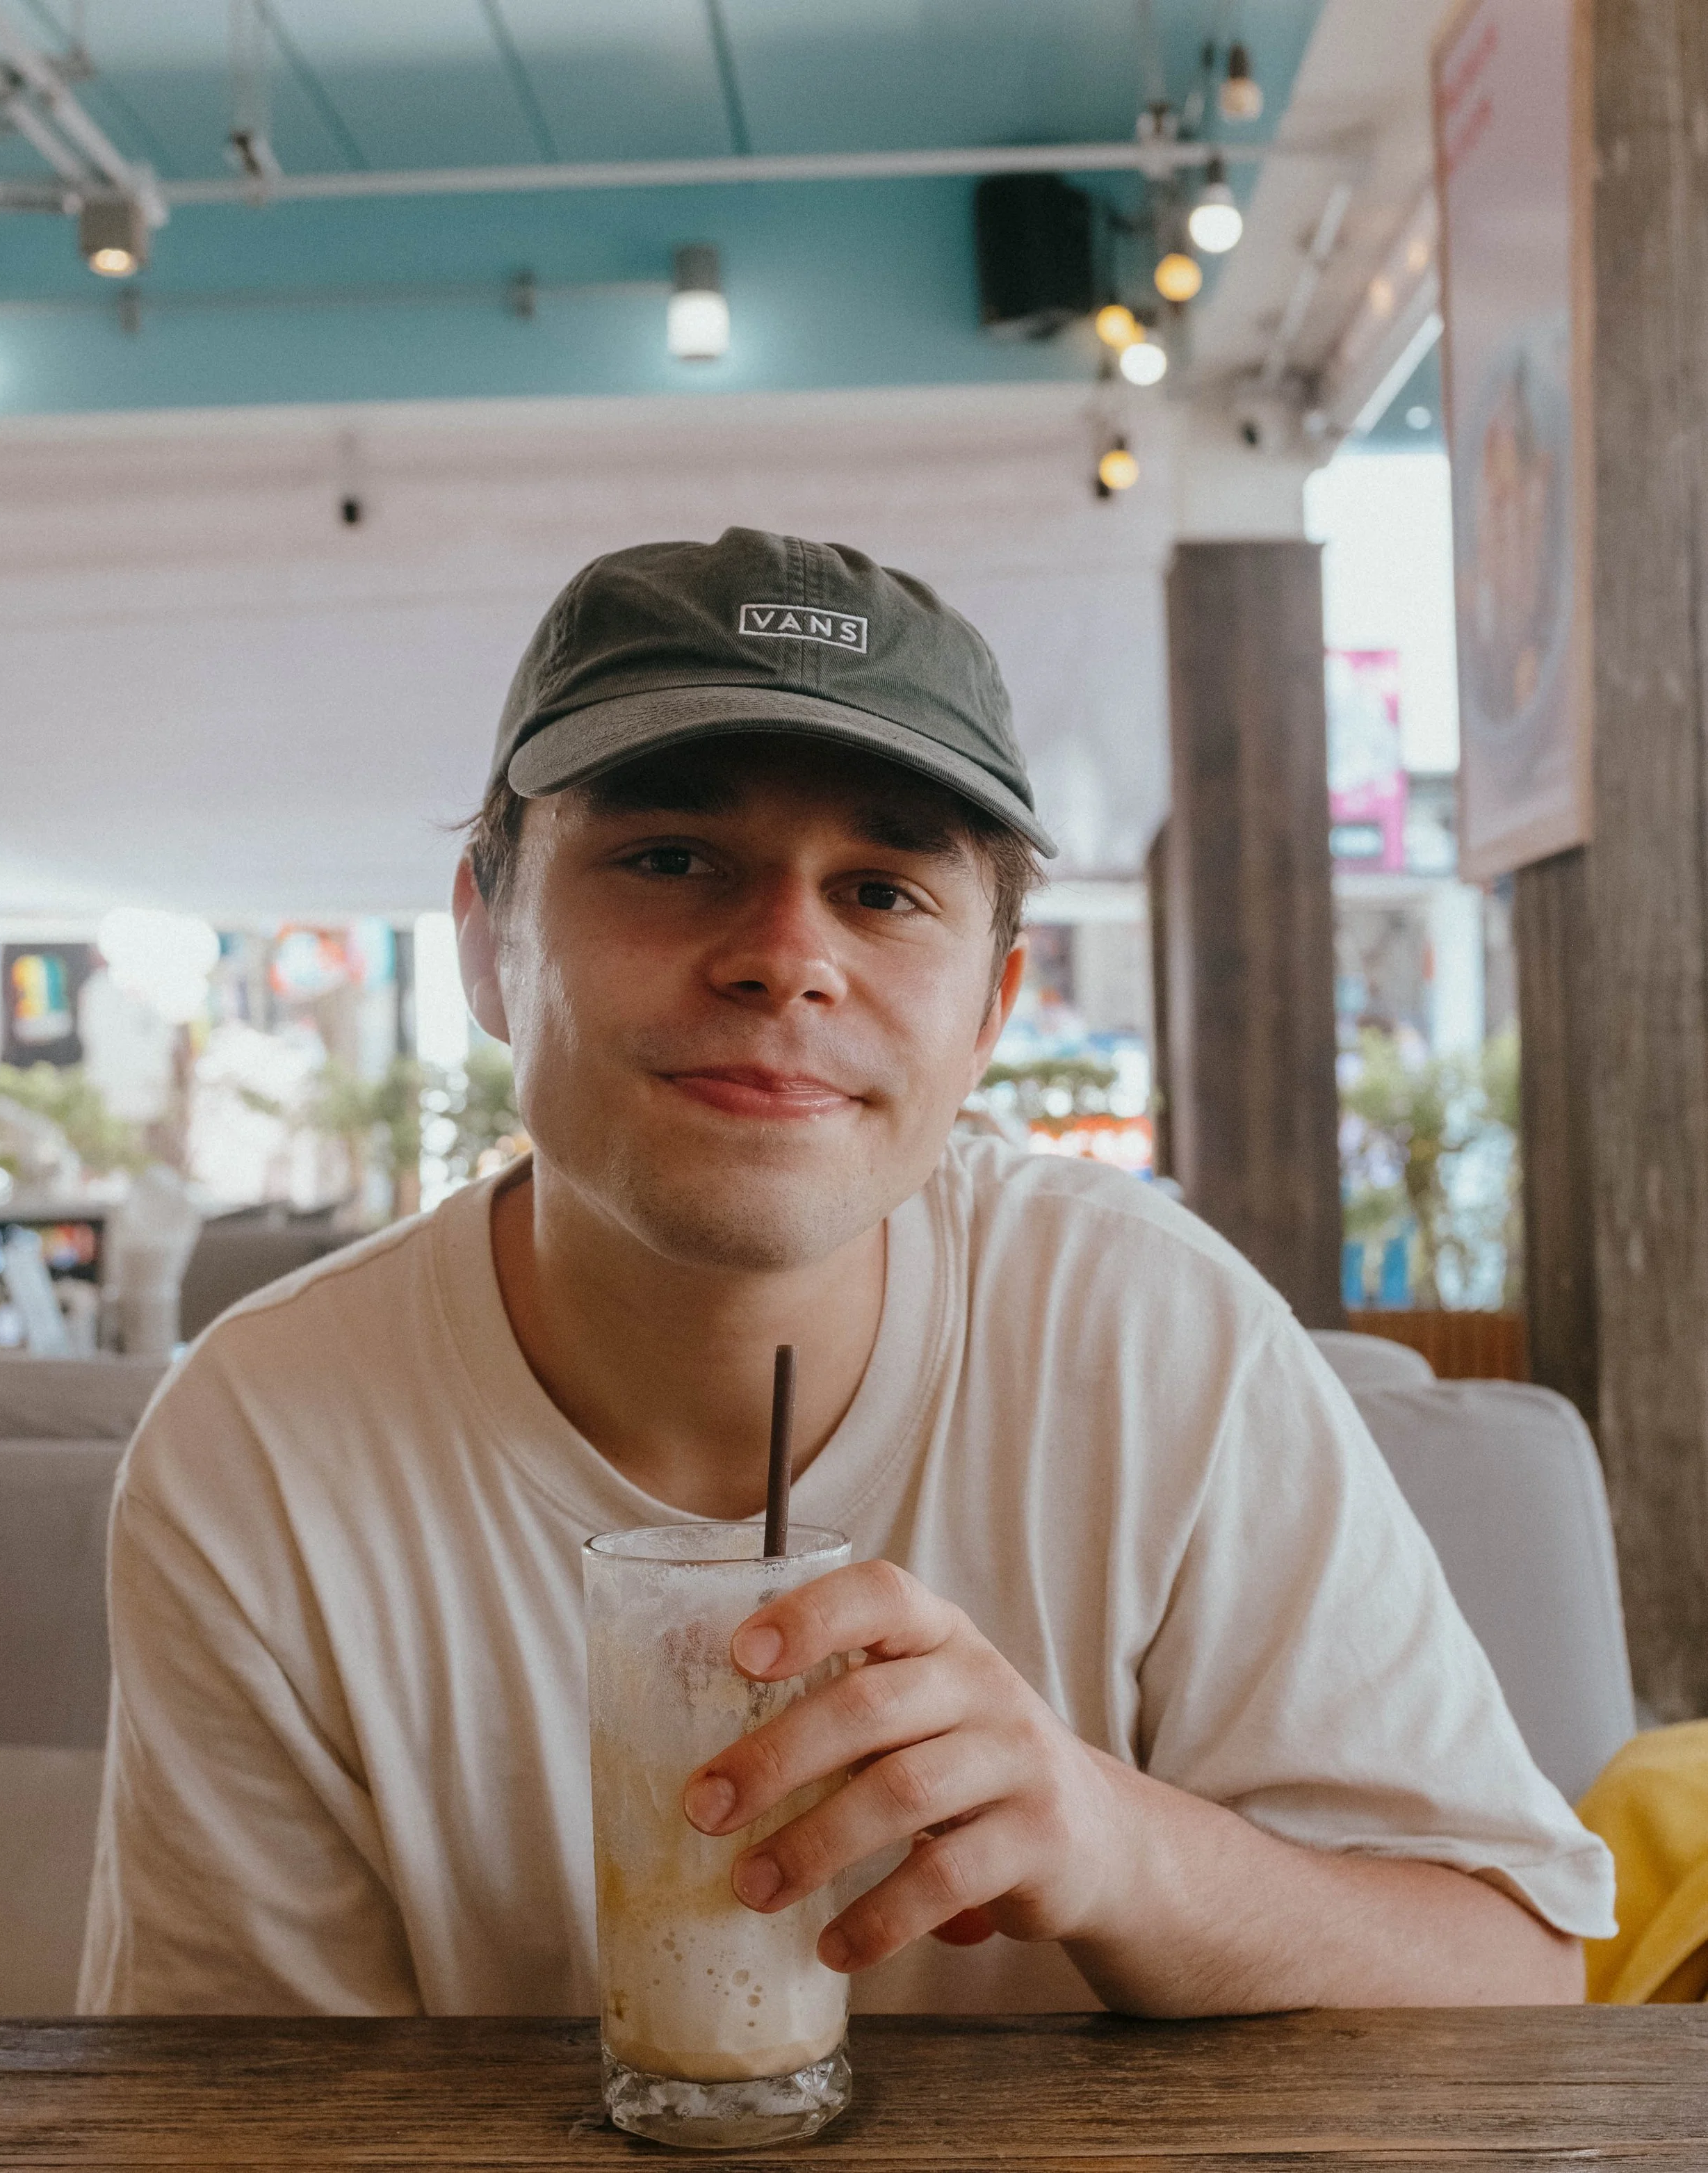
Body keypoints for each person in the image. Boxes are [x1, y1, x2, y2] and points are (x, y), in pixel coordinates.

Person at [80, 527, 1613, 2019]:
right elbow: (241, 2111)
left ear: (991, 1009)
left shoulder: (1151, 1333)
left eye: (882, 890)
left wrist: (1112, 1840)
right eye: (671, 856)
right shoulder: (261, 1447)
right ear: (488, 941)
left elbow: (1521, 1976)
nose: (782, 955)